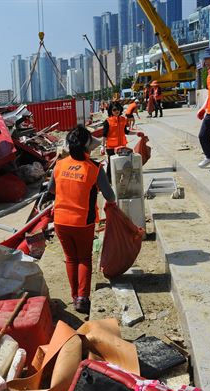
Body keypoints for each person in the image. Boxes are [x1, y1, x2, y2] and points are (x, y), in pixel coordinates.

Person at [50, 125, 116, 315]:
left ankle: (74, 296)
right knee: (84, 259)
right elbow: (110, 196)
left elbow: (52, 190)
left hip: (61, 221)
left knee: (71, 258)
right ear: (88, 147)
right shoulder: (94, 168)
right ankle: (82, 298)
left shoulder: (59, 165)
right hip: (83, 222)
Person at [101, 101, 131, 183]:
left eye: (118, 109)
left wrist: (137, 133)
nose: (116, 111)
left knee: (122, 163)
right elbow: (104, 135)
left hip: (122, 146)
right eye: (114, 109)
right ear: (111, 110)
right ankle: (108, 180)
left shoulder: (123, 120)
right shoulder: (107, 121)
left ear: (120, 110)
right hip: (111, 147)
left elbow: (126, 131)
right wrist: (102, 146)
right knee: (111, 164)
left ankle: (121, 179)